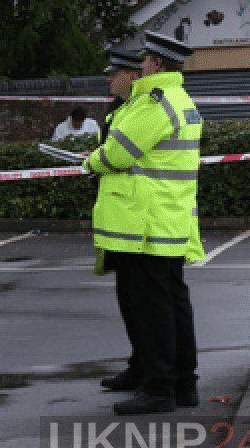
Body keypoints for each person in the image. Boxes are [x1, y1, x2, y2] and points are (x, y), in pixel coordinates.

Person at [82, 31, 203, 415]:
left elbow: (118, 154)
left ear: (157, 64)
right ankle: (182, 383)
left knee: (153, 310)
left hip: (146, 223)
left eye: (146, 59)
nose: (142, 63)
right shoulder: (179, 99)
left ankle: (159, 388)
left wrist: (90, 161)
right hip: (167, 219)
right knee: (172, 305)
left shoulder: (154, 103)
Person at [93, 48, 145, 394]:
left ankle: (151, 372)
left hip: (138, 221)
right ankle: (139, 366)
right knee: (130, 300)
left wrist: (94, 161)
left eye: (115, 74)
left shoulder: (141, 109)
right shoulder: (119, 109)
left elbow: (117, 156)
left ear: (133, 76)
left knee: (142, 303)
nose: (109, 79)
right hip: (122, 219)